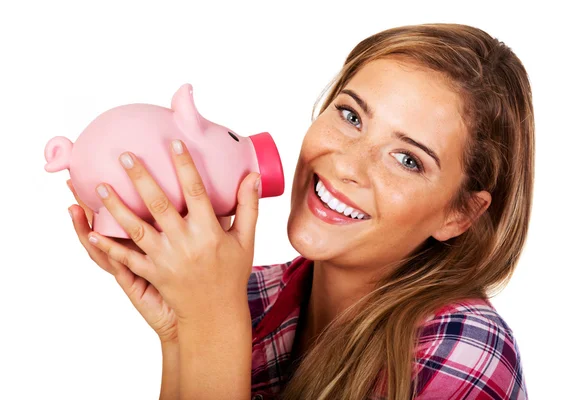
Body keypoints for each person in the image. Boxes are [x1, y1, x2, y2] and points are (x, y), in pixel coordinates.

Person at [67, 23, 532, 399]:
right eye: (351, 116)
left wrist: (211, 324)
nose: (346, 164)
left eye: (407, 159)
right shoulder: (251, 296)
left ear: (460, 215)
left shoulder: (468, 352)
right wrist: (181, 328)